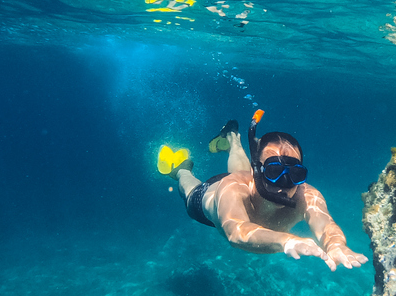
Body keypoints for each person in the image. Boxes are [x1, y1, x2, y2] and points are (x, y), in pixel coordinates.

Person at [157, 111, 368, 272]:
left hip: (250, 181)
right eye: (275, 171)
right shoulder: (232, 188)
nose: (284, 184)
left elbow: (326, 225)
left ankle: (232, 137)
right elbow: (236, 233)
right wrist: (287, 241)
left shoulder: (307, 195)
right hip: (210, 195)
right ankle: (182, 167)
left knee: (240, 169)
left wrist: (336, 245)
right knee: (188, 185)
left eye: (294, 174)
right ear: (258, 169)